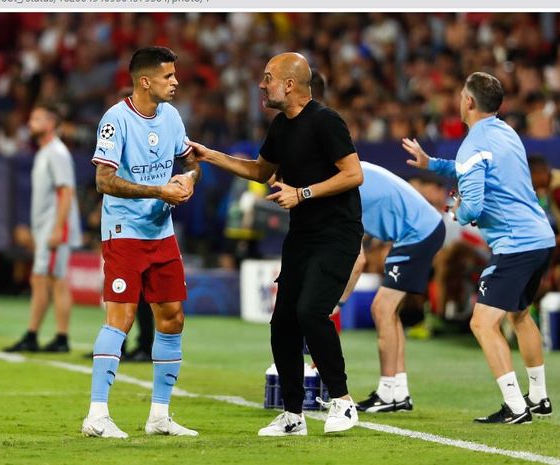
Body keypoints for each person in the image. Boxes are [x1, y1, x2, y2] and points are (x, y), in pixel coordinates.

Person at [189, 52, 364, 436]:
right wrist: (210, 155)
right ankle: (292, 416)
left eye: (267, 77)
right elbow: (259, 171)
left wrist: (302, 193)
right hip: (301, 235)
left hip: (337, 233)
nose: (261, 84)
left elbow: (354, 174)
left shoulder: (326, 121)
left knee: (311, 312)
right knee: (282, 321)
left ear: (289, 84)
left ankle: (344, 402)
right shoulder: (281, 127)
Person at [403, 71, 554, 423]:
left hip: (515, 244)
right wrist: (432, 164)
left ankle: (516, 407)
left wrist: (456, 211)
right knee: (519, 315)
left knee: (482, 323)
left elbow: (473, 204)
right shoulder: (506, 133)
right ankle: (540, 398)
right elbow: (472, 169)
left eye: (459, 95)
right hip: (540, 239)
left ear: (468, 102)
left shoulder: (472, 143)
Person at [81, 46, 201, 439]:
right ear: (145, 81)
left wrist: (188, 180)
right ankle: (97, 416)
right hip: (124, 233)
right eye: (169, 76)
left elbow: (190, 160)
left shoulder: (171, 117)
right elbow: (104, 181)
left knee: (172, 317)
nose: (176, 82)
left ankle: (160, 416)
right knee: (122, 318)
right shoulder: (115, 120)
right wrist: (158, 192)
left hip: (161, 234)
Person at [335, 162, 445, 413]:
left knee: (382, 309)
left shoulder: (343, 189)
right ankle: (398, 391)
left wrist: (337, 304)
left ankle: (388, 393)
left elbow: (358, 260)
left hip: (418, 233)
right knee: (388, 311)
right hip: (417, 231)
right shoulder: (353, 170)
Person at [4, 104, 82, 353]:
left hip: (56, 228)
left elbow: (66, 191)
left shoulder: (57, 152)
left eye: (36, 118)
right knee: (42, 279)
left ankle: (58, 337)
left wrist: (58, 229)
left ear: (51, 123)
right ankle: (36, 334)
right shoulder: (44, 152)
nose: (30, 123)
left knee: (53, 280)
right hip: (46, 228)